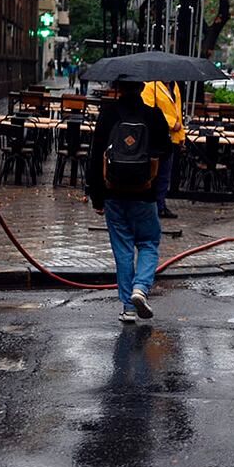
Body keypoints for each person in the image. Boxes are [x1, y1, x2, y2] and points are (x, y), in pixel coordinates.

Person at [87, 81, 171, 323]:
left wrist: (96, 197)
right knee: (148, 243)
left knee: (122, 249)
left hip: (113, 193)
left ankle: (128, 308)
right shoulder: (154, 114)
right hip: (144, 195)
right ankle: (140, 288)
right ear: (142, 87)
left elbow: (95, 156)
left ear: (118, 88)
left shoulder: (108, 114)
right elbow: (166, 150)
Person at [142, 81, 185, 219]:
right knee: (154, 173)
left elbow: (178, 111)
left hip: (172, 138)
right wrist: (172, 123)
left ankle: (160, 204)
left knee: (165, 174)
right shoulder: (150, 86)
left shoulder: (175, 86)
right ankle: (152, 205)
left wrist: (181, 135)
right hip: (156, 136)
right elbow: (149, 110)